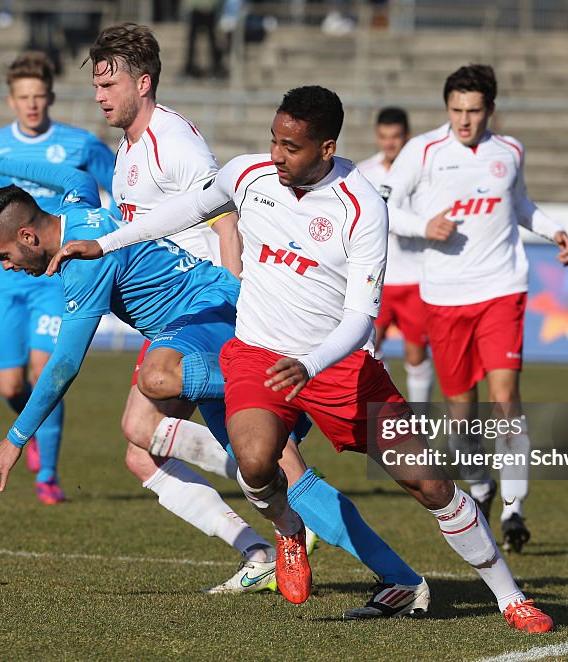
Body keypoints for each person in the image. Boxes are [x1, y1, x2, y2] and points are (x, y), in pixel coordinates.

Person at [47, 85, 555, 631]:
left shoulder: (361, 207)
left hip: (338, 367)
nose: (276, 155)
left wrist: (311, 366)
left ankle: (509, 596)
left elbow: (361, 317)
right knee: (256, 460)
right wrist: (106, 243)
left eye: (291, 147)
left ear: (327, 147)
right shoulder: (248, 176)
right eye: (273, 140)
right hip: (259, 355)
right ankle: (289, 531)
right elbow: (188, 209)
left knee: (430, 482)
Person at [0, 139, 431, 611]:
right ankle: (398, 578)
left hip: (212, 312)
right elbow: (73, 176)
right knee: (272, 467)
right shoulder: (78, 208)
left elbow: (64, 365)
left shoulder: (85, 266)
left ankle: (279, 391)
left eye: (4, 257)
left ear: (28, 237)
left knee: (157, 377)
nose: (8, 268)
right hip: (200, 337)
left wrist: (16, 439)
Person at [66, 22, 430, 604]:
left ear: (144, 81)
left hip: (214, 311)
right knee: (145, 442)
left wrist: (242, 300)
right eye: (96, 85)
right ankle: (268, 546)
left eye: (108, 83)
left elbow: (226, 216)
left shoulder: (174, 144)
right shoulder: (128, 148)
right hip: (184, 318)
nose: (99, 95)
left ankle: (307, 528)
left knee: (221, 430)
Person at [380, 64, 568, 554]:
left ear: (490, 110)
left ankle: (513, 508)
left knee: (506, 399)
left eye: (473, 110)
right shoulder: (422, 151)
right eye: (456, 110)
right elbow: (383, 205)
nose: (464, 120)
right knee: (462, 415)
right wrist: (426, 225)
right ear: (447, 108)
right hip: (444, 297)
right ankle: (481, 484)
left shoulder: (508, 152)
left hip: (502, 289)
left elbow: (521, 204)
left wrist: (553, 230)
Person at [0, 52, 116, 504]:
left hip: (56, 275)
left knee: (43, 368)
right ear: (12, 101)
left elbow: (122, 185)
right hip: (9, 280)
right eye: (24, 97)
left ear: (49, 97)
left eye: (39, 96)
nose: (32, 105)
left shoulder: (79, 144)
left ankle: (47, 474)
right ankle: (32, 429)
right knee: (11, 384)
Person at [356, 107, 433, 406]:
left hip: (415, 277)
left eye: (396, 136)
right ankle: (391, 415)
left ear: (407, 136)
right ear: (377, 136)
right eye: (384, 137)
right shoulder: (364, 172)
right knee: (370, 351)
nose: (389, 143)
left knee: (416, 353)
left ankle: (421, 421)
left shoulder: (422, 174)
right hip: (377, 277)